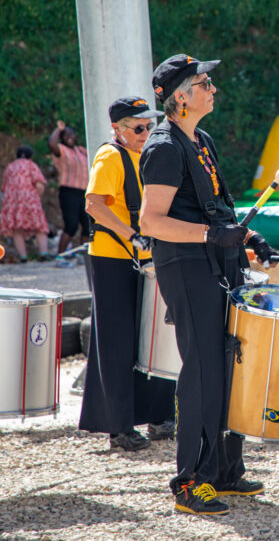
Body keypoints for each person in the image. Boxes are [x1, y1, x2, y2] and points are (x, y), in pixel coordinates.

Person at [139, 54, 276, 515]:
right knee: (201, 369)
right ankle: (189, 480)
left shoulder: (202, 140)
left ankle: (224, 471)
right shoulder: (163, 147)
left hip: (218, 261)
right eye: (204, 82)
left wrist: (249, 236)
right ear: (179, 96)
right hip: (187, 264)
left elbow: (217, 206)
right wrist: (210, 235)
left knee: (229, 362)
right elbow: (152, 221)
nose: (213, 88)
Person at [78, 96, 176, 452]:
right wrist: (131, 235)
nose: (145, 132)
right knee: (118, 343)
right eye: (138, 127)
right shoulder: (109, 156)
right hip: (113, 259)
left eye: (149, 126)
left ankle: (159, 415)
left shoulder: (145, 154)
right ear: (117, 129)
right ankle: (118, 426)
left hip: (145, 256)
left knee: (154, 335)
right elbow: (94, 205)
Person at [0, 145, 51, 261]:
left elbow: (4, 187)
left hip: (13, 202)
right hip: (30, 200)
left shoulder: (10, 167)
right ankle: (43, 253)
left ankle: (23, 256)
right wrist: (37, 197)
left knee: (17, 229)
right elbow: (39, 184)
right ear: (31, 156)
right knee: (39, 226)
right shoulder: (31, 165)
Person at [49, 119, 90, 255]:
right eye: (65, 135)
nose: (69, 137)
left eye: (71, 134)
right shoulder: (62, 150)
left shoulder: (81, 151)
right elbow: (51, 143)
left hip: (85, 192)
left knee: (88, 225)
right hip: (69, 192)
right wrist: (59, 129)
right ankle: (60, 256)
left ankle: (84, 256)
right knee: (71, 225)